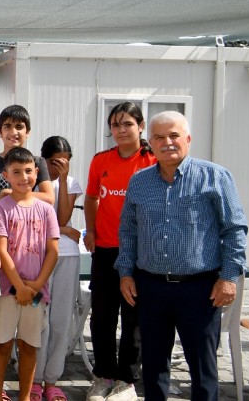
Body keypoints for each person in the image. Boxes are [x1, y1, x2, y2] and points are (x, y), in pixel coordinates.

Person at [116, 111, 247, 401]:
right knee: (153, 367)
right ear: (150, 143)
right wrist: (125, 273)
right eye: (159, 137)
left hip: (200, 289)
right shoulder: (139, 182)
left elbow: (234, 229)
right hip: (150, 287)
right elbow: (128, 231)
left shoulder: (215, 177)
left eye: (174, 135)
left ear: (188, 138)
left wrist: (228, 278)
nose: (167, 142)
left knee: (202, 368)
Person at [83, 102, 156, 401]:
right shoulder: (101, 160)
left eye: (127, 124)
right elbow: (91, 198)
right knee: (102, 317)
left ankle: (126, 381)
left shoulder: (152, 160)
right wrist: (91, 231)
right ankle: (103, 376)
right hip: (105, 250)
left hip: (140, 253)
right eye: (115, 124)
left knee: (133, 318)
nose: (121, 130)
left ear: (141, 126)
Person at [0, 147, 60, 401]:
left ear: (36, 173)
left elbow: (53, 251)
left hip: (36, 292)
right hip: (7, 291)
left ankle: (25, 396)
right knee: (2, 345)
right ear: (6, 175)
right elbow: (1, 250)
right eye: (16, 172)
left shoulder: (46, 210)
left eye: (28, 171)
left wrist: (36, 286)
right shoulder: (0, 208)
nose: (23, 177)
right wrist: (19, 286)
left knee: (29, 345)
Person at [33, 136, 83, 401]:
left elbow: (62, 215)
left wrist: (63, 181)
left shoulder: (71, 183)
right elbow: (36, 220)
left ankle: (52, 379)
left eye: (64, 162)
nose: (58, 167)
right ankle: (33, 377)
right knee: (38, 318)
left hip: (67, 255)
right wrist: (63, 229)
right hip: (37, 255)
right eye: (53, 162)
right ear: (43, 159)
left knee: (61, 319)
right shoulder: (33, 180)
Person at [0, 105, 54, 204]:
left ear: (27, 132)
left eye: (19, 127)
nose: (13, 132)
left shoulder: (37, 162)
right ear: (0, 132)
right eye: (7, 126)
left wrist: (10, 193)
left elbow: (49, 198)